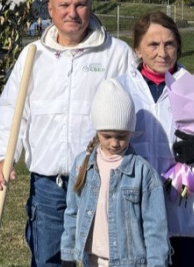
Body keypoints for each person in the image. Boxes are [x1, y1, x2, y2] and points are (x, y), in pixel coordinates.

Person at [0, 0, 137, 267]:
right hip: (49, 187)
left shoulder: (116, 54)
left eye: (80, 5)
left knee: (104, 261)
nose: (73, 12)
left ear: (91, 8)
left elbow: (138, 109)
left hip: (101, 182)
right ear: (50, 10)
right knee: (49, 262)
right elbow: (13, 109)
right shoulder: (33, 55)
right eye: (64, 5)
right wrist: (6, 156)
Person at [114, 11, 194, 266]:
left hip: (184, 216)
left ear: (178, 47)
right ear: (137, 49)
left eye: (169, 44)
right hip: (138, 215)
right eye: (153, 44)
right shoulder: (119, 89)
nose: (163, 52)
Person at [61, 78, 169, 266]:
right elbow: (72, 212)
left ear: (131, 131)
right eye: (107, 136)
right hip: (91, 261)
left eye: (121, 136)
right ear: (97, 131)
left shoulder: (143, 173)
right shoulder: (82, 165)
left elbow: (155, 229)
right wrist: (68, 254)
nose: (114, 143)